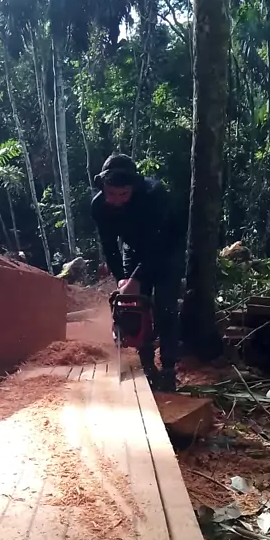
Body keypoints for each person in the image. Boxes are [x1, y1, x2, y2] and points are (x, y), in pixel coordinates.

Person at [91, 153, 185, 392]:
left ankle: (168, 367)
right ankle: (146, 363)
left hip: (166, 249)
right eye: (111, 194)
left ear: (133, 187)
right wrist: (122, 278)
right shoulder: (99, 206)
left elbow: (160, 244)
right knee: (133, 305)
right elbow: (110, 246)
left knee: (164, 305)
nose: (116, 201)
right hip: (132, 249)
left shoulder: (155, 196)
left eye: (123, 194)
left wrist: (137, 278)